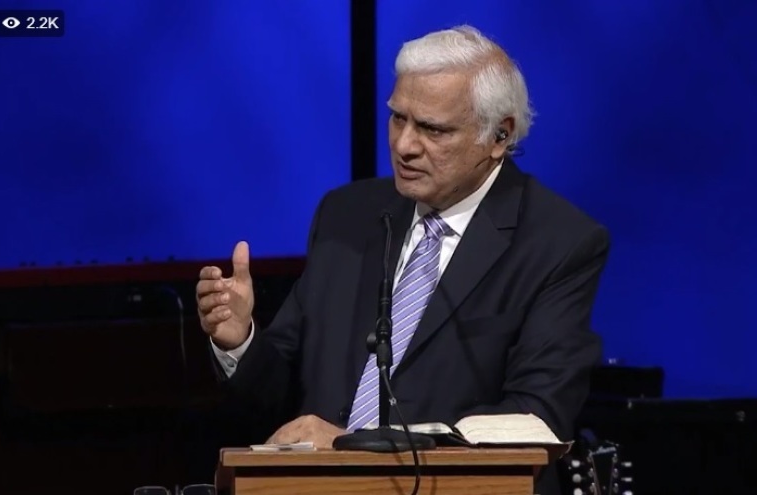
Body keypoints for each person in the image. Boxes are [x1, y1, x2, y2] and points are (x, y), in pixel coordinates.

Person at [196, 25, 609, 495]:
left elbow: (536, 417)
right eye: (397, 119)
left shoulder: (559, 241)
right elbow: (280, 395)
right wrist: (240, 342)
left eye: (433, 129)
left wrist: (361, 449)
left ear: (499, 135)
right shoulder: (346, 215)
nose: (404, 146)